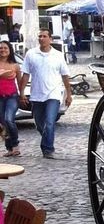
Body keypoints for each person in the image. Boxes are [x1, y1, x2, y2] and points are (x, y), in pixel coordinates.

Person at [17, 29, 72, 159]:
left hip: (53, 94)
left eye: (44, 36)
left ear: (50, 39)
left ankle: (48, 149)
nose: (42, 38)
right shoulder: (31, 54)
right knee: (39, 124)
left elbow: (65, 76)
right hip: (36, 95)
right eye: (40, 36)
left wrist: (69, 94)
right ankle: (47, 139)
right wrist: (22, 93)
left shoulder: (58, 55)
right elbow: (25, 74)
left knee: (50, 122)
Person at [0, 39, 21, 157]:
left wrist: (22, 95)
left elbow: (20, 81)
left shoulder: (15, 65)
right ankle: (9, 148)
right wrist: (2, 74)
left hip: (12, 97)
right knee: (3, 123)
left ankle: (15, 144)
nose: (2, 50)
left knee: (9, 119)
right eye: (1, 48)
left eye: (5, 48)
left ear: (9, 50)